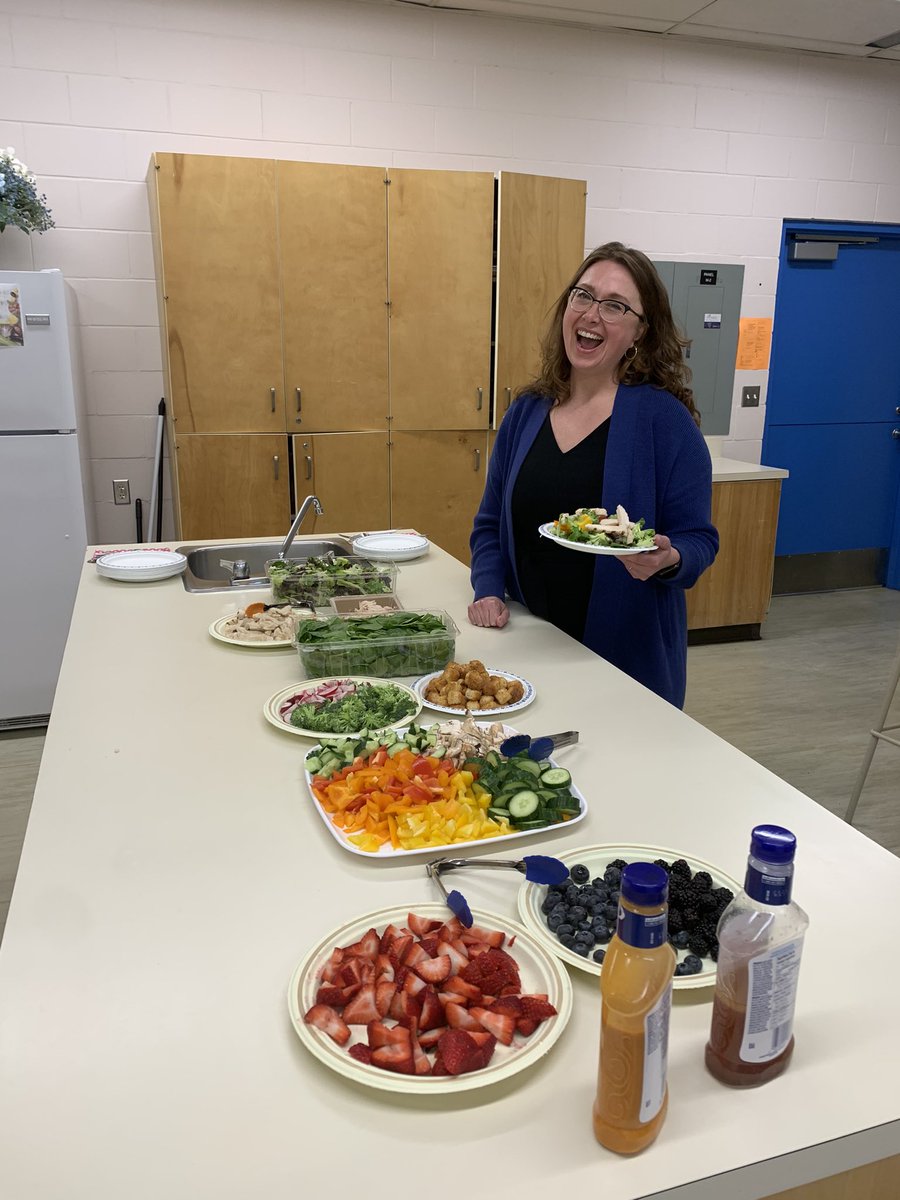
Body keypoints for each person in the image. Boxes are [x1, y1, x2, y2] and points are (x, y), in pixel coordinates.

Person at [468, 242, 718, 708]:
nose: (592, 313)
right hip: (529, 649)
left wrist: (669, 558)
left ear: (640, 333)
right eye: (582, 295)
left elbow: (699, 540)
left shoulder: (664, 422)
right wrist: (488, 589)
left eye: (615, 305)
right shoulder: (526, 412)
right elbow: (489, 526)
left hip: (624, 661)